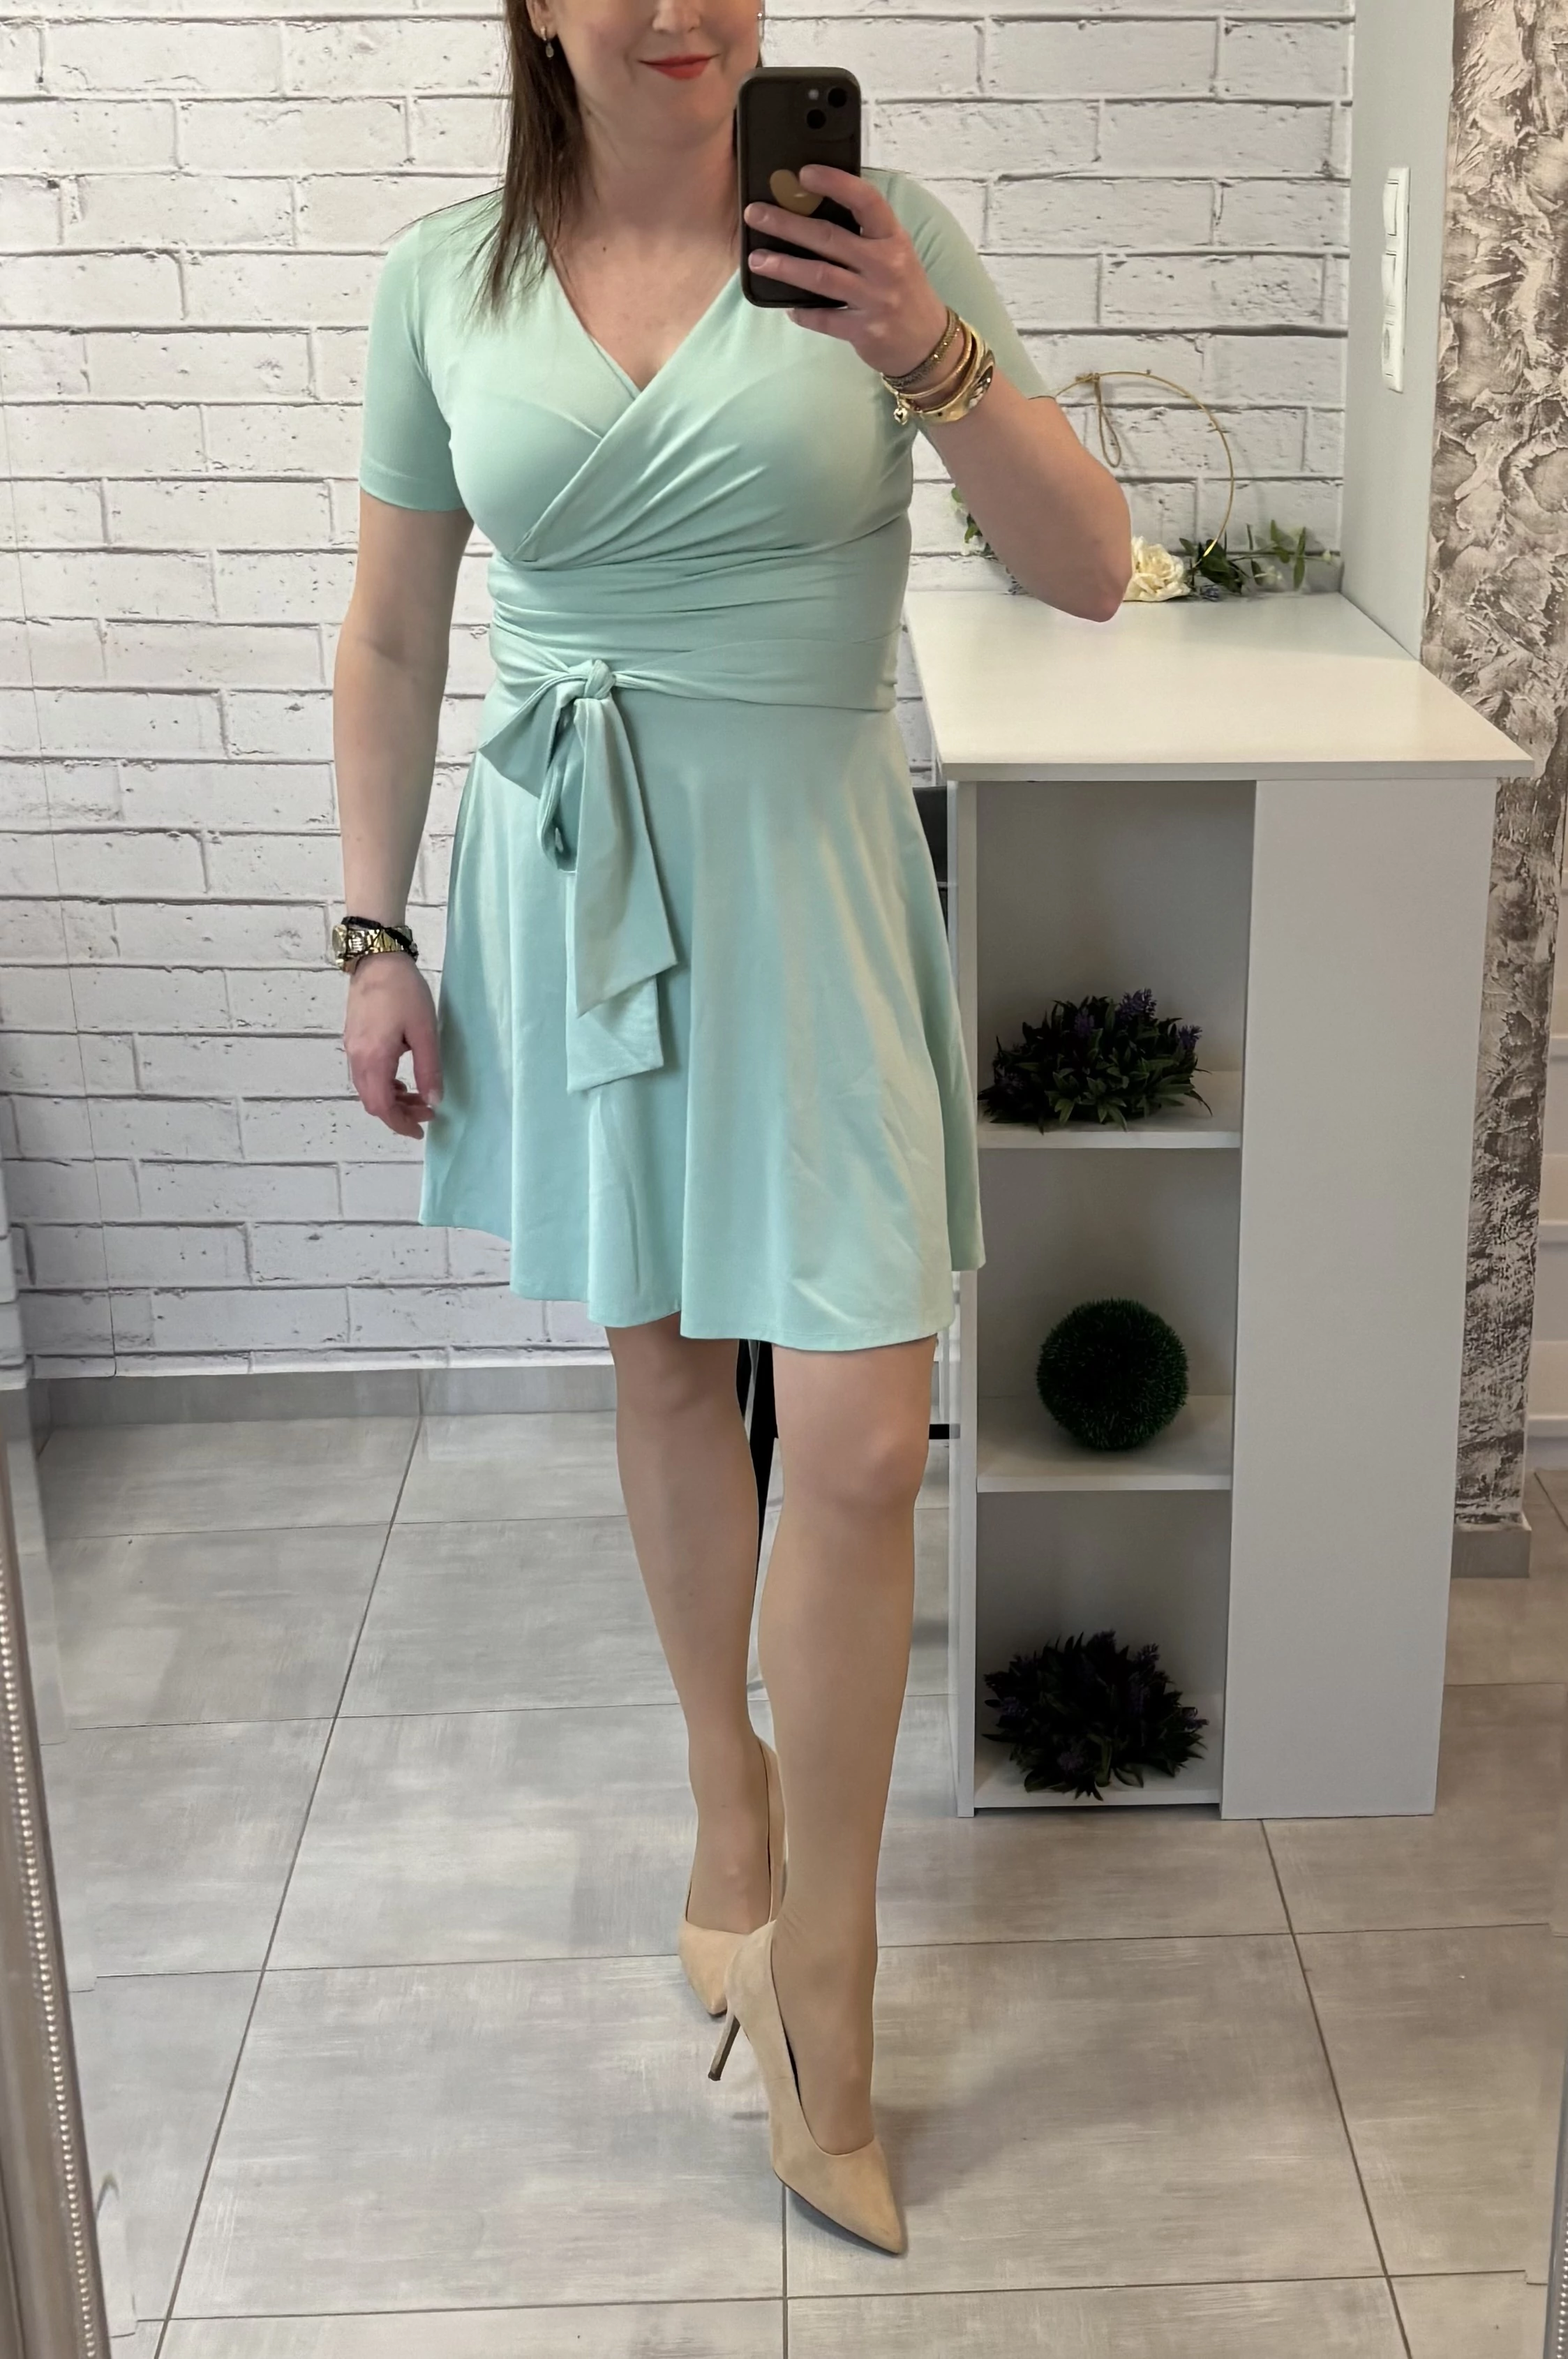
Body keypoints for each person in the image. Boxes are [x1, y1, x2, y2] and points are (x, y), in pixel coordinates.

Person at [332, 0, 1130, 2257]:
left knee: (862, 1436)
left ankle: (829, 1974)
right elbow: (391, 635)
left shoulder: (881, 237)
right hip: (573, 875)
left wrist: (924, 353)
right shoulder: (443, 278)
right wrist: (370, 931)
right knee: (669, 1362)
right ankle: (727, 1797)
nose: (680, 11)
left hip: (812, 880)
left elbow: (1086, 565)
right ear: (534, 7)